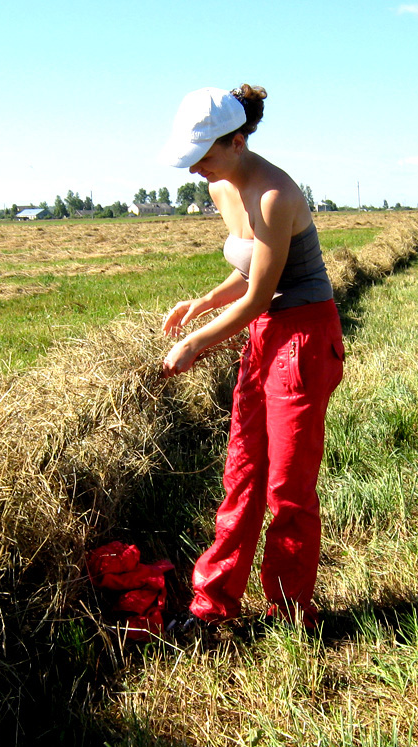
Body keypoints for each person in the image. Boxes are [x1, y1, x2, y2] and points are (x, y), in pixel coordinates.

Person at [156, 84, 345, 629]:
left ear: (237, 142)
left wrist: (196, 343)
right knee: (243, 470)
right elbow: (249, 272)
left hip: (303, 339)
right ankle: (212, 607)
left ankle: (290, 613)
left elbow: (263, 293)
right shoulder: (224, 187)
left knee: (286, 486)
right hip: (266, 331)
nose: (195, 170)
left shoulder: (275, 196)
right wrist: (206, 300)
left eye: (203, 157)